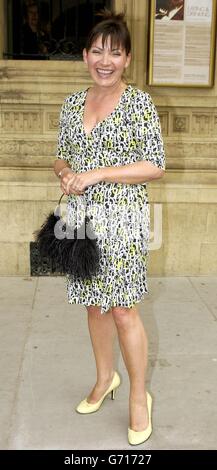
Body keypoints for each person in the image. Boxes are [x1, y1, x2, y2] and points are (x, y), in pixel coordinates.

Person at [53, 8, 166, 446]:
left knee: (122, 309)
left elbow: (155, 166)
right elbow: (60, 153)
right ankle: (105, 378)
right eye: (97, 50)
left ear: (127, 59)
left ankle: (139, 394)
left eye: (114, 53)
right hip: (81, 219)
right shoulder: (71, 103)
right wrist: (64, 172)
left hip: (122, 219)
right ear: (84, 55)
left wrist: (98, 173)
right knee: (94, 306)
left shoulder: (139, 103)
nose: (105, 60)